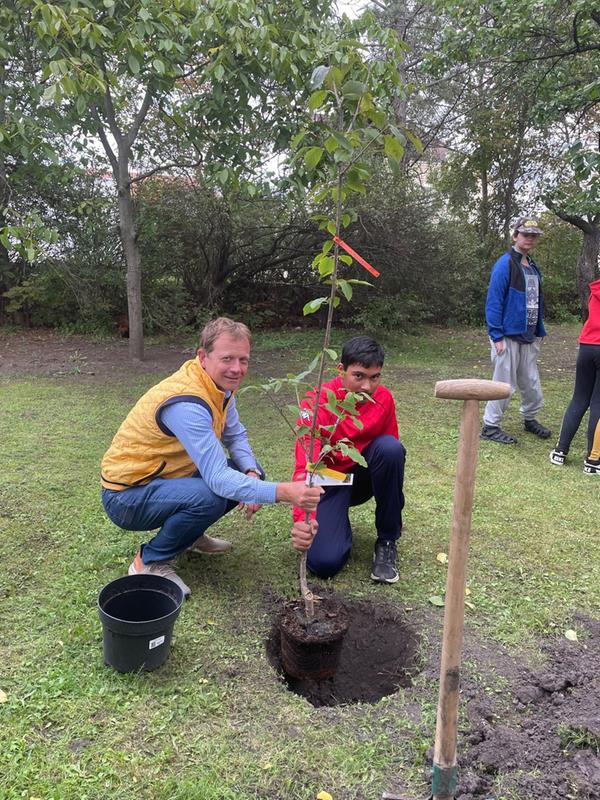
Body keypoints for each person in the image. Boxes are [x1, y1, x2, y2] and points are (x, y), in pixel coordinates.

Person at [101, 317, 322, 597]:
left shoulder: (219, 388)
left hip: (166, 478)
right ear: (203, 357)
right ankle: (150, 561)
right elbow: (217, 478)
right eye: (227, 358)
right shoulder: (187, 402)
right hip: (127, 495)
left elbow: (235, 435)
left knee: (245, 474)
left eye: (244, 360)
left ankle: (189, 536)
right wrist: (283, 492)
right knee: (213, 494)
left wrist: (251, 472)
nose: (237, 369)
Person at [290, 336, 406, 584]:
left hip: (363, 478)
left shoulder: (383, 399)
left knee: (391, 449)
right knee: (324, 563)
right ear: (341, 370)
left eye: (375, 377)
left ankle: (387, 540)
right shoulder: (317, 401)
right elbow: (305, 467)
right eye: (359, 376)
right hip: (328, 483)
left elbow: (390, 458)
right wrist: (302, 520)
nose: (367, 386)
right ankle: (335, 525)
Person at [480, 216, 551, 444]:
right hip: (507, 336)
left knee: (531, 382)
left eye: (533, 235)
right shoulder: (505, 263)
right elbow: (494, 301)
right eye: (525, 234)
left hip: (529, 336)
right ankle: (490, 426)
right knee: (503, 384)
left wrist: (538, 330)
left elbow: (534, 301)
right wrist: (496, 335)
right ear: (515, 236)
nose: (529, 238)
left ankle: (529, 418)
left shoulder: (532, 266)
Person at [550, 279, 600, 475]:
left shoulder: (596, 288)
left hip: (587, 346)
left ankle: (560, 451)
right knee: (598, 404)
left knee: (579, 399)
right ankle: (594, 460)